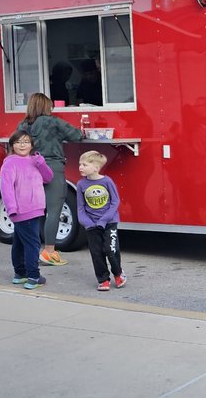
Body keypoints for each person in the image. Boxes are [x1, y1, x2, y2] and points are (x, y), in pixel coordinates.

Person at [17, 93, 84, 266]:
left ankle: (33, 251)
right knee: (54, 211)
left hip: (30, 170)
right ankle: (49, 252)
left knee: (36, 211)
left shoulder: (23, 125)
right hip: (52, 168)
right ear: (46, 107)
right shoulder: (53, 122)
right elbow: (77, 135)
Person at [0, 131, 52, 290]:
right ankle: (33, 276)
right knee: (32, 244)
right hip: (22, 210)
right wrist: (11, 208)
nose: (22, 145)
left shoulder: (35, 160)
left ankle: (20, 274)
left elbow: (48, 178)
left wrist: (41, 163)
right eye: (18, 142)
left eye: (26, 142)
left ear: (31, 145)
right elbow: (6, 188)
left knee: (20, 243)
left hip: (36, 208)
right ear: (12, 145)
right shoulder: (10, 163)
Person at [76, 150, 126, 291]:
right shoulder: (81, 184)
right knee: (96, 253)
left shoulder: (107, 181)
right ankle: (103, 279)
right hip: (92, 225)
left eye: (84, 164)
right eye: (80, 164)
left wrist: (103, 221)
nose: (80, 167)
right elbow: (80, 207)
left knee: (111, 250)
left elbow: (115, 202)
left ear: (96, 168)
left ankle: (118, 273)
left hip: (109, 223)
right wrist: (87, 223)